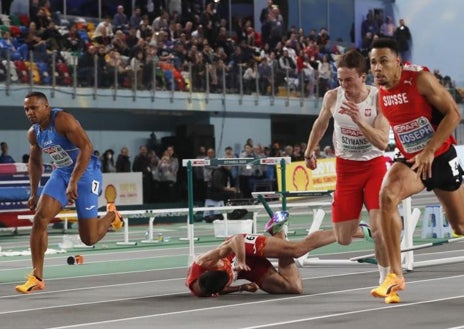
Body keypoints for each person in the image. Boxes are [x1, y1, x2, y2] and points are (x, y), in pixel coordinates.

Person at [369, 38, 464, 303]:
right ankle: (394, 275)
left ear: (398, 62)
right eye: (373, 62)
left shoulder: (420, 79)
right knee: (387, 196)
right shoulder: (380, 92)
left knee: (460, 224)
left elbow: (454, 114)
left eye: (383, 61)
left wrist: (430, 149)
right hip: (410, 161)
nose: (377, 68)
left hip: (441, 157)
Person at [16, 92, 123, 294]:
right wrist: (33, 192)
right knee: (40, 218)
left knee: (89, 238)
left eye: (34, 108)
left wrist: (74, 180)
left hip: (86, 174)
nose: (30, 112)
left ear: (46, 107)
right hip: (62, 173)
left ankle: (112, 215)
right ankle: (36, 277)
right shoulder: (34, 133)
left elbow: (87, 147)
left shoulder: (63, 120)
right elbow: (36, 162)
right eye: (26, 109)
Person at [304, 49, 390, 286]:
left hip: (374, 167)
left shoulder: (379, 98)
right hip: (346, 169)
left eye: (349, 80)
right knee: (343, 238)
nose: (344, 85)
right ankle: (366, 227)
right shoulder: (333, 97)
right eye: (340, 80)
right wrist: (309, 151)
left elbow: (382, 142)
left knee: (381, 231)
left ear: (363, 77)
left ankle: (386, 279)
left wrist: (360, 121)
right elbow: (320, 125)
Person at [186, 212, 338, 297]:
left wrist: (240, 260)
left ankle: (352, 230)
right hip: (247, 270)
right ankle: (277, 230)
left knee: (296, 250)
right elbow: (221, 289)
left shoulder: (203, 262)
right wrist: (241, 288)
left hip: (242, 248)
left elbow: (236, 239)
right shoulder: (205, 290)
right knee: (293, 288)